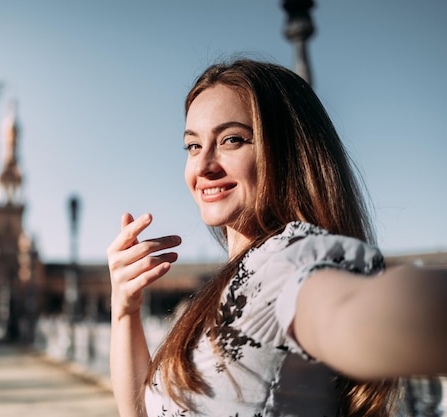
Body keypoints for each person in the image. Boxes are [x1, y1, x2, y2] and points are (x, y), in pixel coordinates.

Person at [107, 58, 447, 417]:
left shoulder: (286, 264)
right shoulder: (228, 287)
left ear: (287, 153)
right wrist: (125, 311)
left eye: (232, 140)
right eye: (193, 146)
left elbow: (365, 311)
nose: (204, 165)